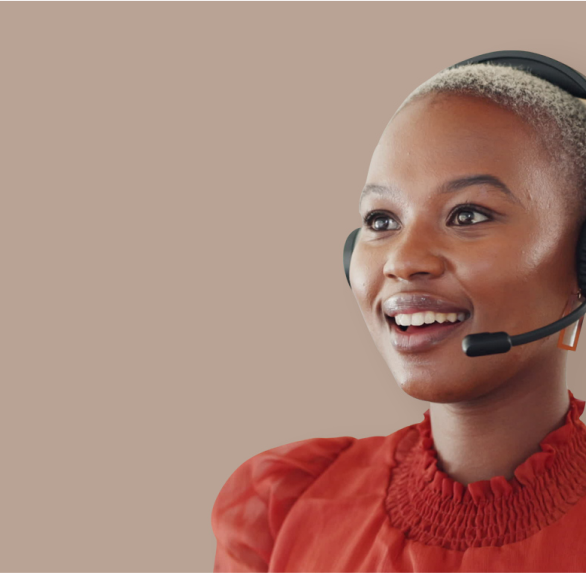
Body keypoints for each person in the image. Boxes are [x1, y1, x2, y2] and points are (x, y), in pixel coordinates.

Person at [210, 60, 586, 572]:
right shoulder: (283, 505)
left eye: (467, 215)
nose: (404, 261)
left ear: (581, 262)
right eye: (381, 220)